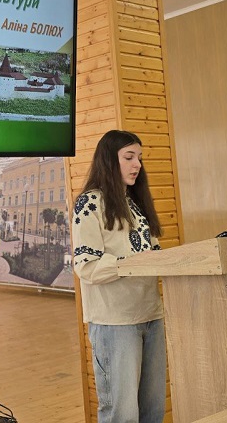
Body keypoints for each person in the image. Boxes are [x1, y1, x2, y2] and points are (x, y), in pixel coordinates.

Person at [72, 129, 165, 423]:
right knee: (121, 415)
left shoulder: (136, 203)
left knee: (153, 411)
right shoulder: (90, 203)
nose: (137, 164)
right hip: (115, 323)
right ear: (109, 160)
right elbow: (85, 266)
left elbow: (154, 254)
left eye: (139, 158)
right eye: (129, 157)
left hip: (152, 316)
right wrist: (130, 264)